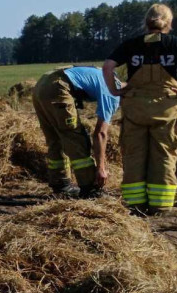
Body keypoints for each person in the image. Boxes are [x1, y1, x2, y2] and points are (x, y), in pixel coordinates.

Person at [104, 3, 177, 215]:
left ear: (146, 23)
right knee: (163, 154)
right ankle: (160, 206)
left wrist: (115, 90)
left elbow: (107, 66)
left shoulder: (131, 44)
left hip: (135, 109)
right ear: (169, 23)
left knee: (134, 155)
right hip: (166, 108)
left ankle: (135, 205)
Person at [31, 66, 118, 198]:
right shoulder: (113, 92)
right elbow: (100, 133)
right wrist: (101, 168)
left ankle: (60, 184)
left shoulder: (106, 76)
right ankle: (91, 189)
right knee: (76, 139)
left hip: (42, 85)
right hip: (58, 87)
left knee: (56, 139)